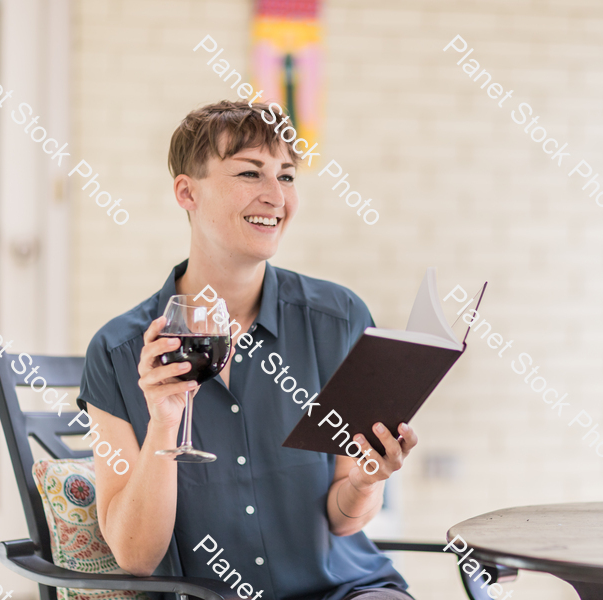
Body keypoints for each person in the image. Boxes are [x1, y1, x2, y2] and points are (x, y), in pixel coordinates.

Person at [77, 100, 418, 600]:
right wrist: (165, 425)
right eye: (250, 173)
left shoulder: (340, 319)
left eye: (286, 176)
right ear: (186, 192)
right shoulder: (117, 351)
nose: (275, 196)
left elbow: (345, 523)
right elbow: (137, 556)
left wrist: (368, 480)